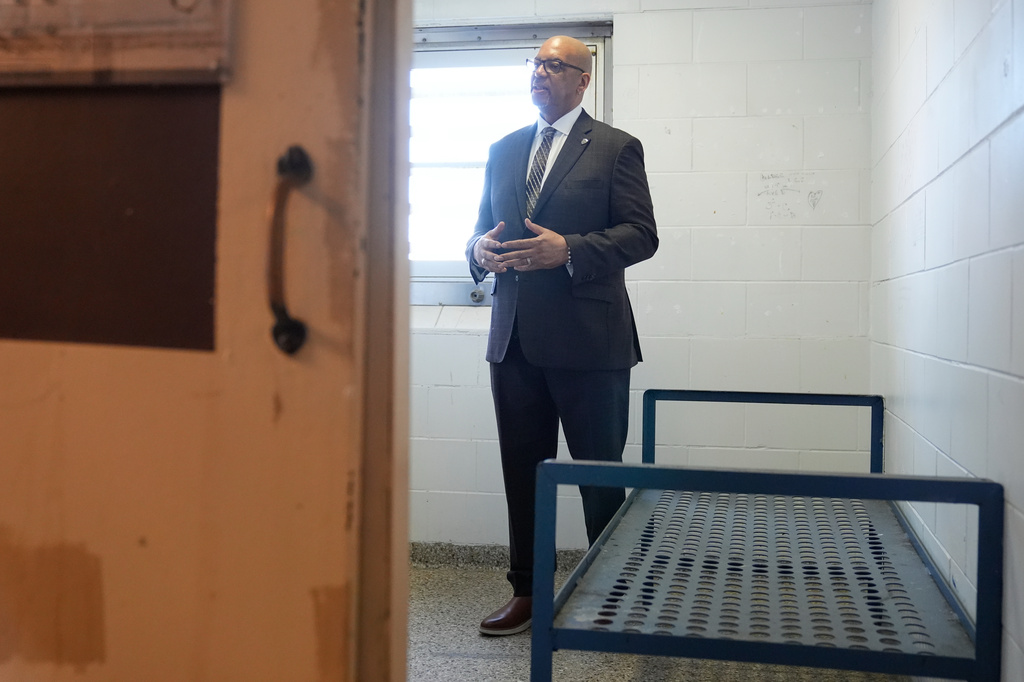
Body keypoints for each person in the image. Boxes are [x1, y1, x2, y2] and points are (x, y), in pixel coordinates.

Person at [466, 35, 659, 636]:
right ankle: (528, 593)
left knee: (599, 475)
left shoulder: (615, 148)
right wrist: (478, 252)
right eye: (536, 64)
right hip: (515, 342)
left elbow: (641, 235)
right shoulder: (503, 149)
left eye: (555, 65)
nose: (541, 73)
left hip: (590, 344)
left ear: (582, 79)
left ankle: (614, 595)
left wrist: (568, 249)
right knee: (522, 475)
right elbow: (479, 232)